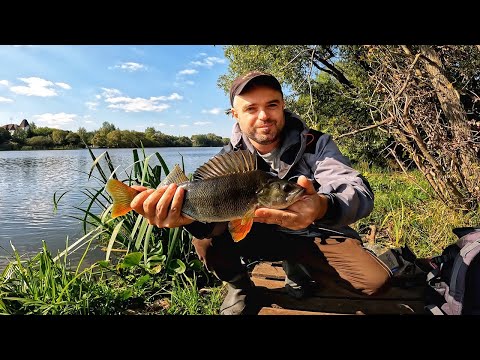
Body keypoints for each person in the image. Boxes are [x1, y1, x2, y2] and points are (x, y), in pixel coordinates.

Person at [130, 70, 392, 315]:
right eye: (251, 108)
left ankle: (296, 267)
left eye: (271, 105)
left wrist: (322, 206)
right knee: (205, 240)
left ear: (282, 106)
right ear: (235, 114)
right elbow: (210, 213)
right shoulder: (228, 161)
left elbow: (356, 190)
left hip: (310, 235)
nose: (264, 116)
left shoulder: (316, 144)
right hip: (255, 237)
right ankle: (239, 284)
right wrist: (186, 219)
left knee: (373, 282)